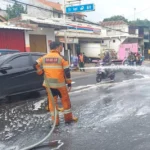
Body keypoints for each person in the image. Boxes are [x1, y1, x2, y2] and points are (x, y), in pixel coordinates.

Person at [34, 41, 78, 126]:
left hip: (49, 85)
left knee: (52, 103)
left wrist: (40, 72)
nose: (62, 48)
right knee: (65, 102)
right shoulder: (62, 58)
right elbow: (67, 72)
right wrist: (69, 83)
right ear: (58, 47)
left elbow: (35, 65)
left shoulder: (44, 57)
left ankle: (55, 122)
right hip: (60, 85)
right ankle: (68, 119)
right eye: (61, 46)